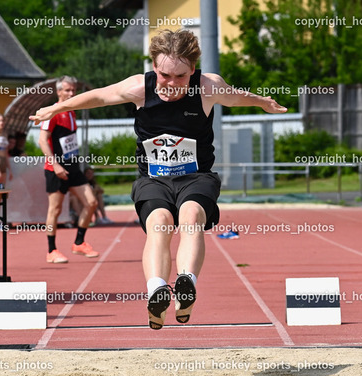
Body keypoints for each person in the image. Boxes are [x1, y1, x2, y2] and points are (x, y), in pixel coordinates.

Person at [30, 30, 286, 329]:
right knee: (160, 223)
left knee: (191, 216)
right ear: (154, 67)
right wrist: (56, 107)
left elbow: (238, 96)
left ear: (193, 69)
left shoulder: (207, 87)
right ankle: (157, 291)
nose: (172, 84)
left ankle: (186, 283)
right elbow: (99, 96)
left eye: (180, 76)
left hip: (196, 176)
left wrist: (262, 102)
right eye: (164, 75)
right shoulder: (140, 87)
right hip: (153, 178)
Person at [38, 76, 99, 263]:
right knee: (55, 210)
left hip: (73, 167)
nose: (71, 94)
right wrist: (55, 165)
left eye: (73, 90)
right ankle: (51, 250)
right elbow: (42, 140)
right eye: (67, 90)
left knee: (91, 202)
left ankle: (79, 242)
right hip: (55, 168)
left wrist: (83, 165)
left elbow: (70, 144)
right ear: (59, 92)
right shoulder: (53, 113)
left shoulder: (71, 112)